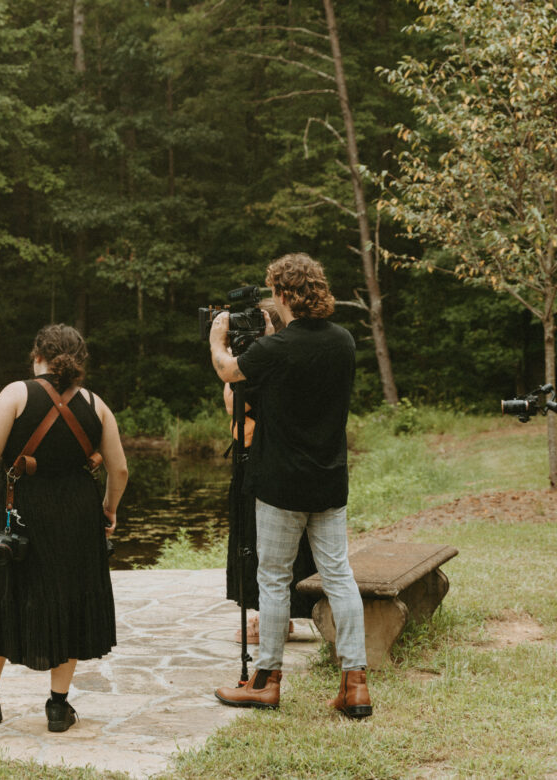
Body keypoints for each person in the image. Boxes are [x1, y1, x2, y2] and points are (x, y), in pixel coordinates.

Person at [0, 324, 128, 733]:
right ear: (79, 363)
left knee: (3, 594)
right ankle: (59, 707)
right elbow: (120, 468)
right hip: (78, 514)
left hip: (22, 514)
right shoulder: (97, 404)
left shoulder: (15, 393)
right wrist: (109, 509)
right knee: (70, 598)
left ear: (37, 355)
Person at [208, 253, 371, 718]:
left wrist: (220, 335)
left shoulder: (275, 350)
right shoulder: (343, 341)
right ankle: (355, 684)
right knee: (339, 577)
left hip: (280, 482)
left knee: (274, 579)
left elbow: (228, 370)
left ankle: (265, 681)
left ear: (281, 294)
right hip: (329, 479)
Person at [223, 299, 318, 644]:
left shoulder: (264, 368)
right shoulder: (285, 363)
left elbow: (238, 418)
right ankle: (277, 617)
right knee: (274, 544)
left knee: (262, 543)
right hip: (279, 461)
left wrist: (227, 356)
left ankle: (270, 620)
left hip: (261, 466)